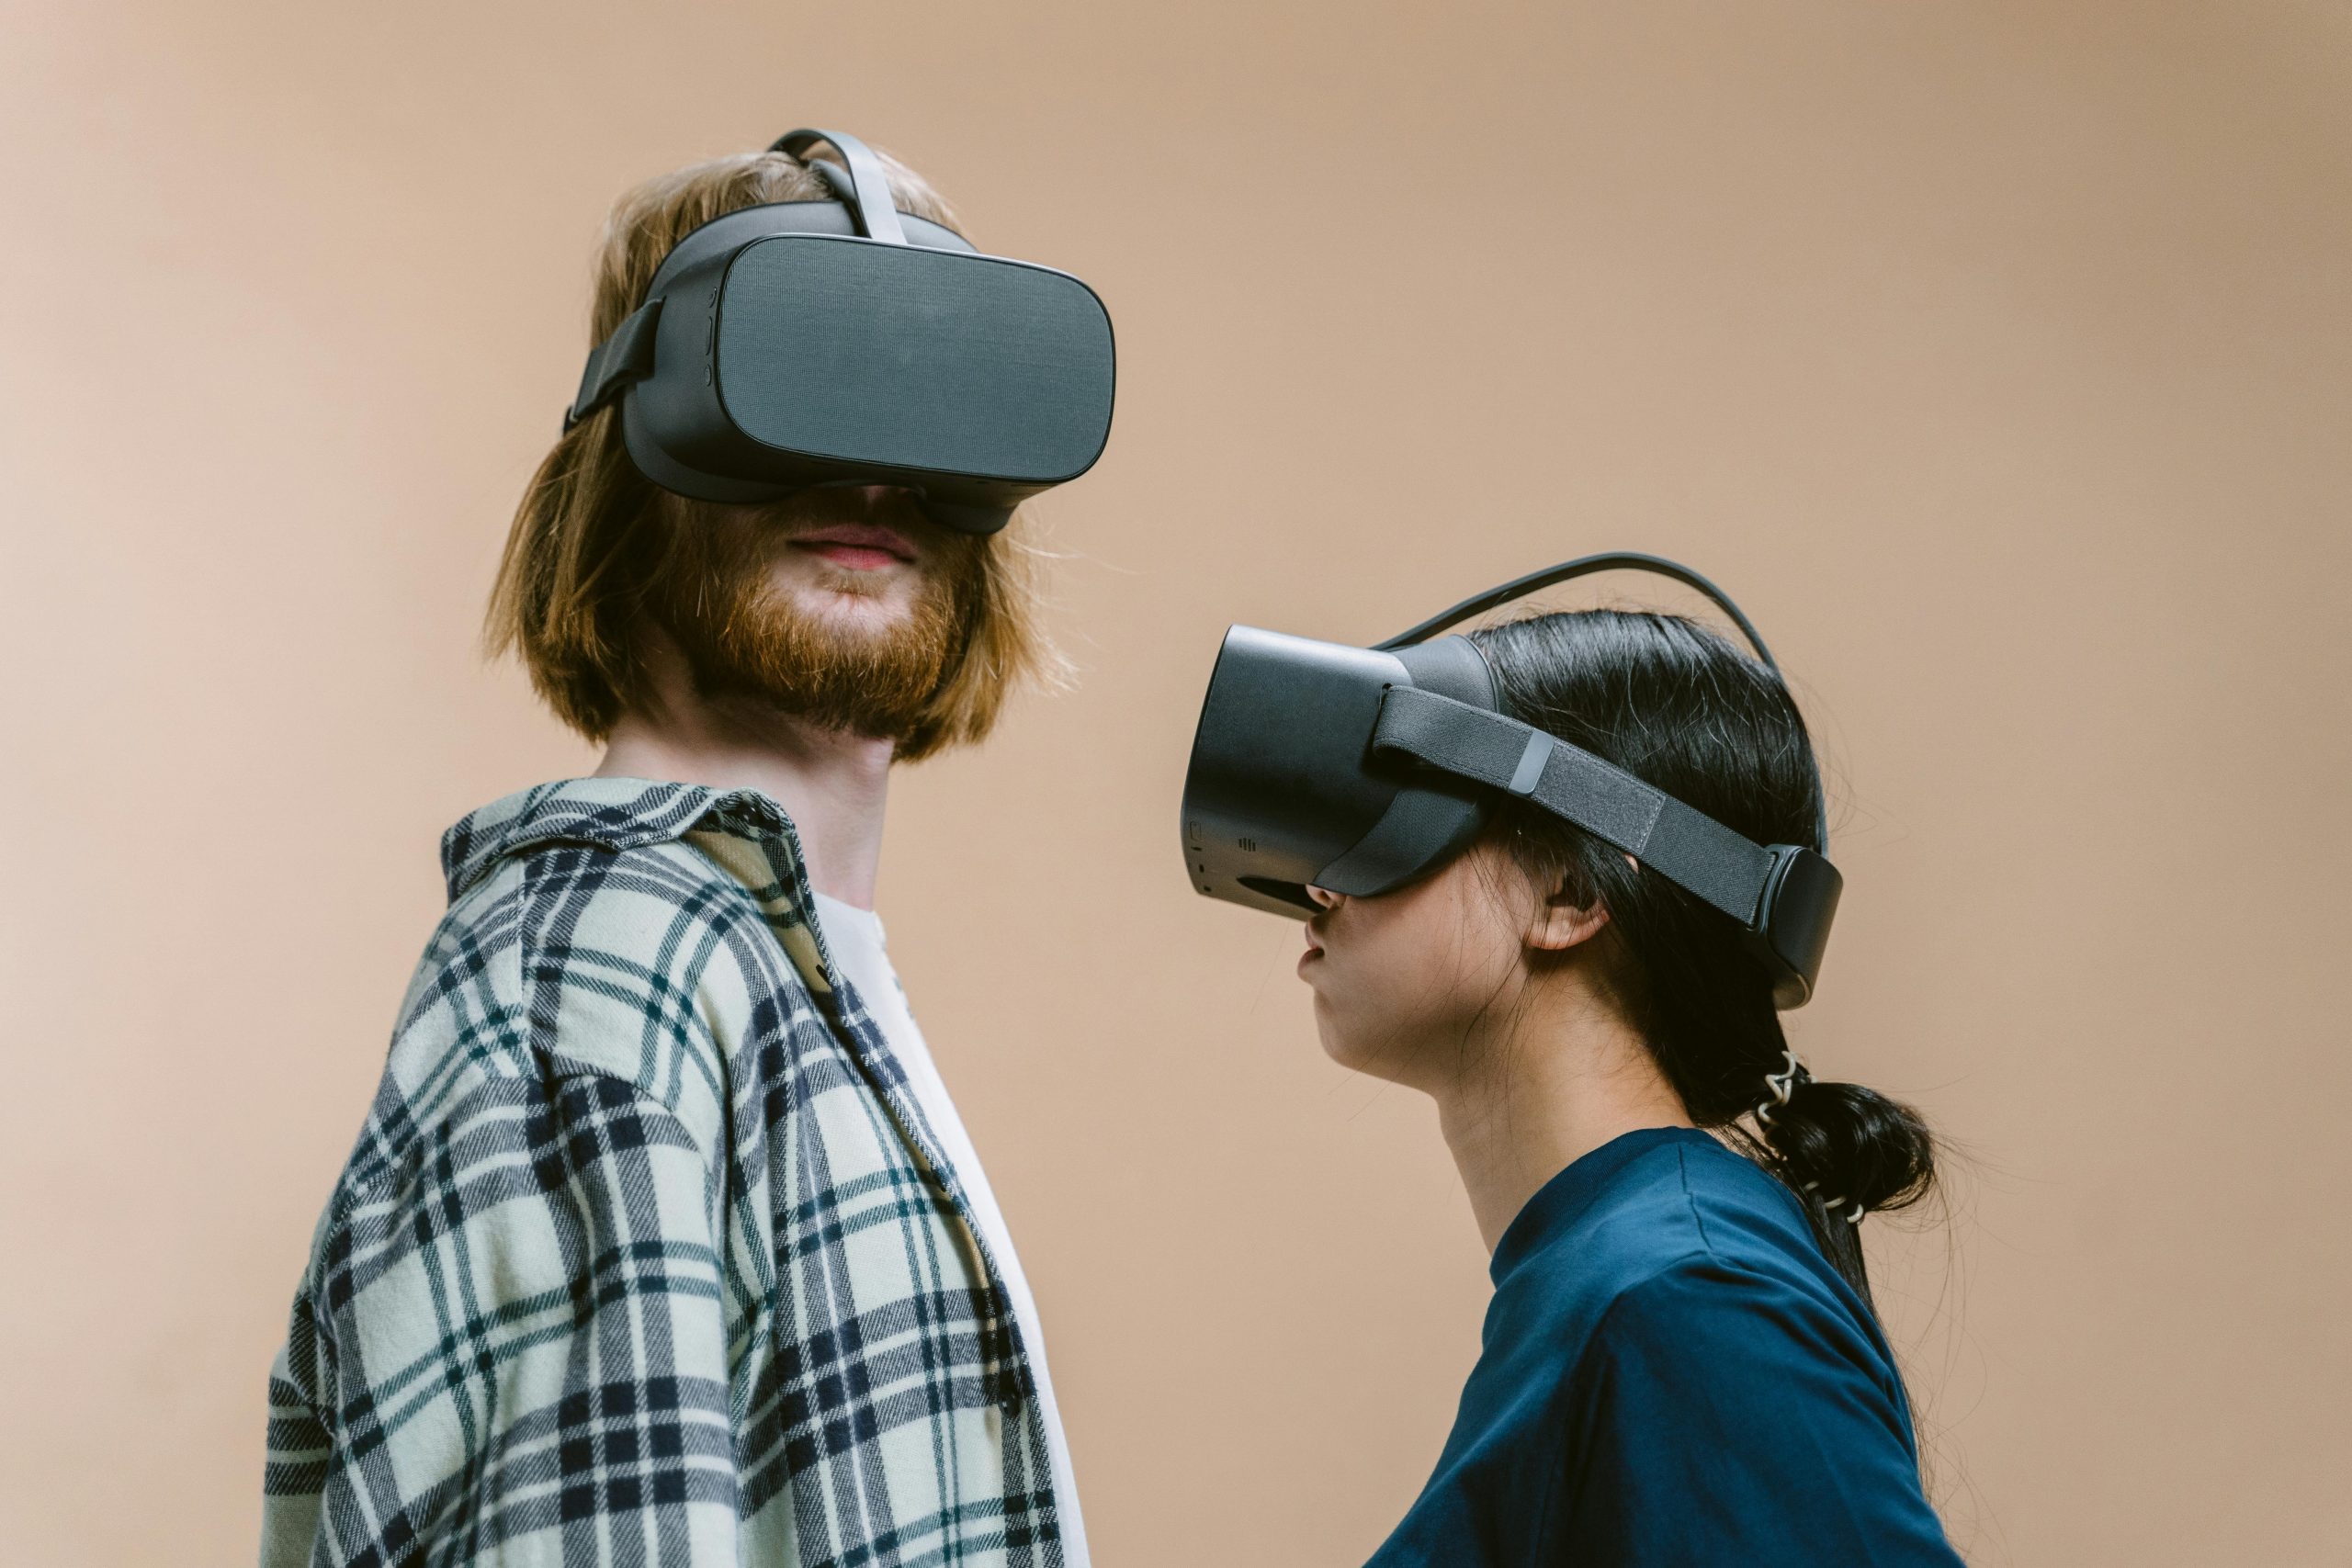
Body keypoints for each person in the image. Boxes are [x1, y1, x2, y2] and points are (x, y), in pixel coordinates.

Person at [261, 140, 1087, 1567]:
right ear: (627, 449)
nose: (871, 467)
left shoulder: (774, 967)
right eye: (791, 378)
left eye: (927, 393)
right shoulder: (608, 970)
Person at [1296, 609, 1965, 1565]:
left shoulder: (1687, 1299)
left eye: (1399, 814)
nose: (1318, 885)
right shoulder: (1615, 1284)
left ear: (1568, 890)